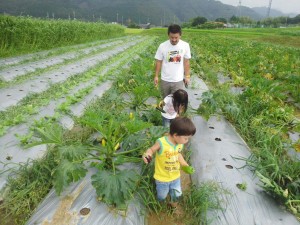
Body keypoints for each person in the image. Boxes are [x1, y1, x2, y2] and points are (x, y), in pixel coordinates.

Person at [142, 117, 196, 209]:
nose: (187, 141)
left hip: (175, 176)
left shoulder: (179, 144)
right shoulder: (161, 143)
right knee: (162, 195)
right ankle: (159, 205)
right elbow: (151, 149)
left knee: (177, 194)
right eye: (186, 138)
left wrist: (184, 164)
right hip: (162, 178)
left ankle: (173, 204)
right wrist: (147, 154)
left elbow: (178, 154)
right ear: (175, 135)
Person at [154, 24, 191, 98]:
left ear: (180, 35)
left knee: (177, 101)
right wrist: (156, 76)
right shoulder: (162, 46)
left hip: (178, 80)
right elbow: (158, 61)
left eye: (176, 38)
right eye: (172, 37)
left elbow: (186, 62)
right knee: (165, 101)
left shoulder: (185, 45)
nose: (174, 40)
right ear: (168, 35)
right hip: (165, 80)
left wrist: (187, 76)